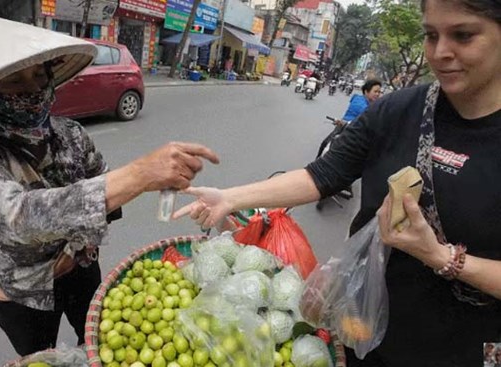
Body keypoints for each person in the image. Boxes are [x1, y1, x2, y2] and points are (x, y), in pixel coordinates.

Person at [174, 0, 501, 366]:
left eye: (463, 35)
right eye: (430, 35)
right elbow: (323, 175)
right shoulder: (396, 111)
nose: (440, 52)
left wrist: (440, 257)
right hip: (363, 333)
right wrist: (228, 198)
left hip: (464, 349)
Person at [0, 13, 219, 356]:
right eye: (14, 82)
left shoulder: (71, 134)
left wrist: (82, 243)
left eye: (38, 75)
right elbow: (18, 216)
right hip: (24, 290)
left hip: (82, 269)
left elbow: (105, 188)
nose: (32, 90)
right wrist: (141, 173)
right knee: (38, 357)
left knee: (95, 343)